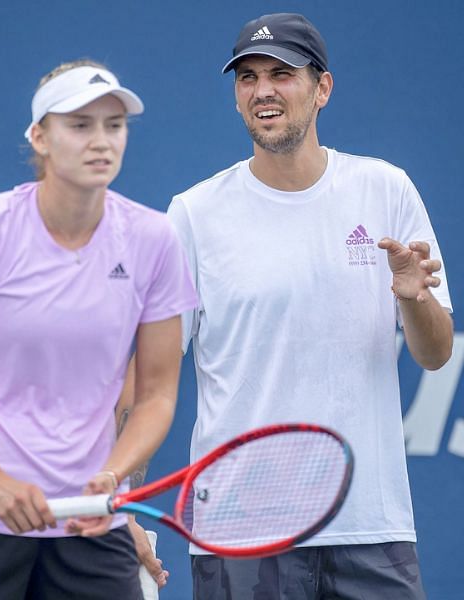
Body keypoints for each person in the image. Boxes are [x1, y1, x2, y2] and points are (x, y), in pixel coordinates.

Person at [0, 60, 196, 599]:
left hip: (90, 525)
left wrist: (113, 478)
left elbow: (158, 394)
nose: (101, 141)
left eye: (114, 125)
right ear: (40, 137)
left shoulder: (155, 241)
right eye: (80, 125)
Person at [168, 13, 451, 599]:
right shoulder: (194, 214)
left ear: (322, 88)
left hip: (372, 526)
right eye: (247, 77)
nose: (262, 90)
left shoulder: (386, 190)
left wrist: (415, 299)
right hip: (242, 534)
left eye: (281, 73)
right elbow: (149, 374)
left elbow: (435, 353)